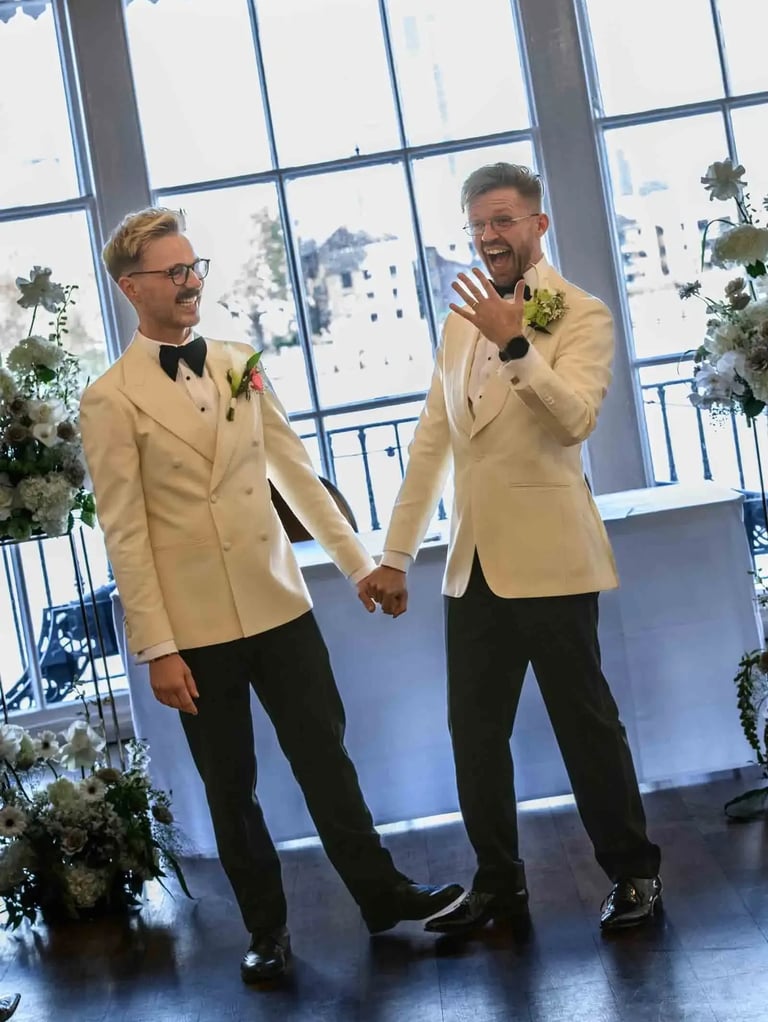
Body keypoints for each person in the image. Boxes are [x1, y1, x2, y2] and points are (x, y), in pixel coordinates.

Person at [79, 208, 462, 983]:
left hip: (279, 605)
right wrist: (157, 646)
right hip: (194, 628)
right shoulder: (109, 400)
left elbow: (295, 471)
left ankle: (382, 894)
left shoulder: (237, 360)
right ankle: (267, 930)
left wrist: (359, 566)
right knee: (231, 788)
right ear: (131, 287)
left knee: (327, 759)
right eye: (172, 272)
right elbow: (126, 534)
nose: (190, 284)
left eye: (194, 268)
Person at [365, 163, 662, 934]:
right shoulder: (462, 318)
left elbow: (576, 422)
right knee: (474, 734)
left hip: (555, 561)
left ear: (538, 225)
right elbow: (433, 441)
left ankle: (635, 875)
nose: (490, 236)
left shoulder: (583, 314)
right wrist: (396, 554)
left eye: (503, 220)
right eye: (479, 225)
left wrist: (519, 345)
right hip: (473, 568)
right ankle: (500, 886)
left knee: (585, 725)